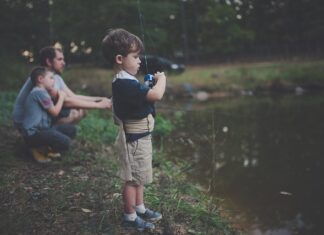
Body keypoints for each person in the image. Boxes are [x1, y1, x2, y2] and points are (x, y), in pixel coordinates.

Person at [102, 28, 166, 231]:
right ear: (120, 58)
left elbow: (140, 95)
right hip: (135, 140)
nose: (139, 61)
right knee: (132, 180)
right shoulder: (124, 83)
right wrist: (161, 80)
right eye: (136, 56)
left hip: (141, 137)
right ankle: (130, 217)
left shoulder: (126, 81)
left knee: (139, 177)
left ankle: (140, 207)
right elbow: (155, 96)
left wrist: (147, 84)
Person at [13, 46, 112, 131]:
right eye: (59, 59)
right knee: (75, 112)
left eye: (63, 59)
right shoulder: (42, 79)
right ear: (48, 61)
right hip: (24, 122)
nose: (63, 63)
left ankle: (50, 139)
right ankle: (42, 142)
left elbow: (73, 96)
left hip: (40, 117)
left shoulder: (55, 77)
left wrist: (100, 99)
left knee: (81, 110)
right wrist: (99, 105)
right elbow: (66, 101)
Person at [22, 66, 76, 163]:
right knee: (66, 142)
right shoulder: (39, 93)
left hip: (44, 130)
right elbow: (55, 112)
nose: (53, 81)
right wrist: (62, 97)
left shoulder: (42, 92)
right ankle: (36, 148)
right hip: (33, 134)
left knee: (71, 129)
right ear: (40, 79)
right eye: (51, 78)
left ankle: (46, 148)